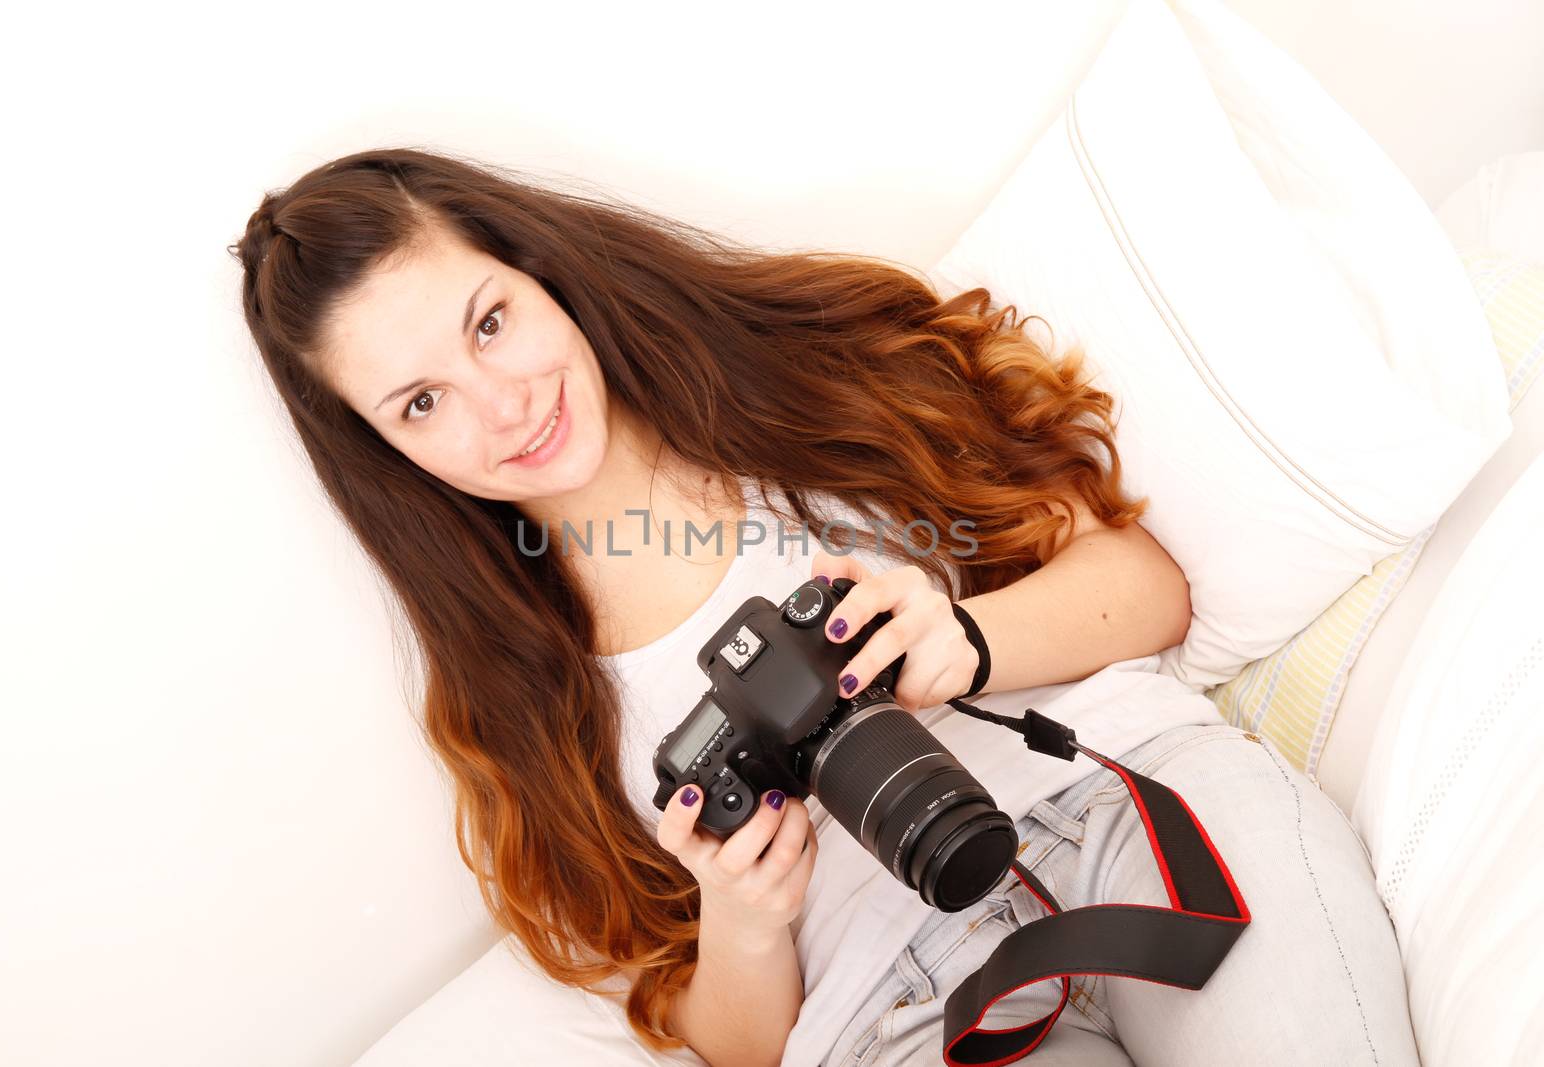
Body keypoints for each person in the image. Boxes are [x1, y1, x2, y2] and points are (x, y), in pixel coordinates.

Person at [228, 147, 1419, 1067]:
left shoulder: (802, 374)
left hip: (1124, 811)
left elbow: (1148, 590)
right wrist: (742, 913)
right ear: (387, 452)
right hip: (900, 1010)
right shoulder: (518, 705)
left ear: (543, 268)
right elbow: (734, 1041)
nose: (501, 406)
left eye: (491, 321)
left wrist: (967, 637)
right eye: (422, 402)